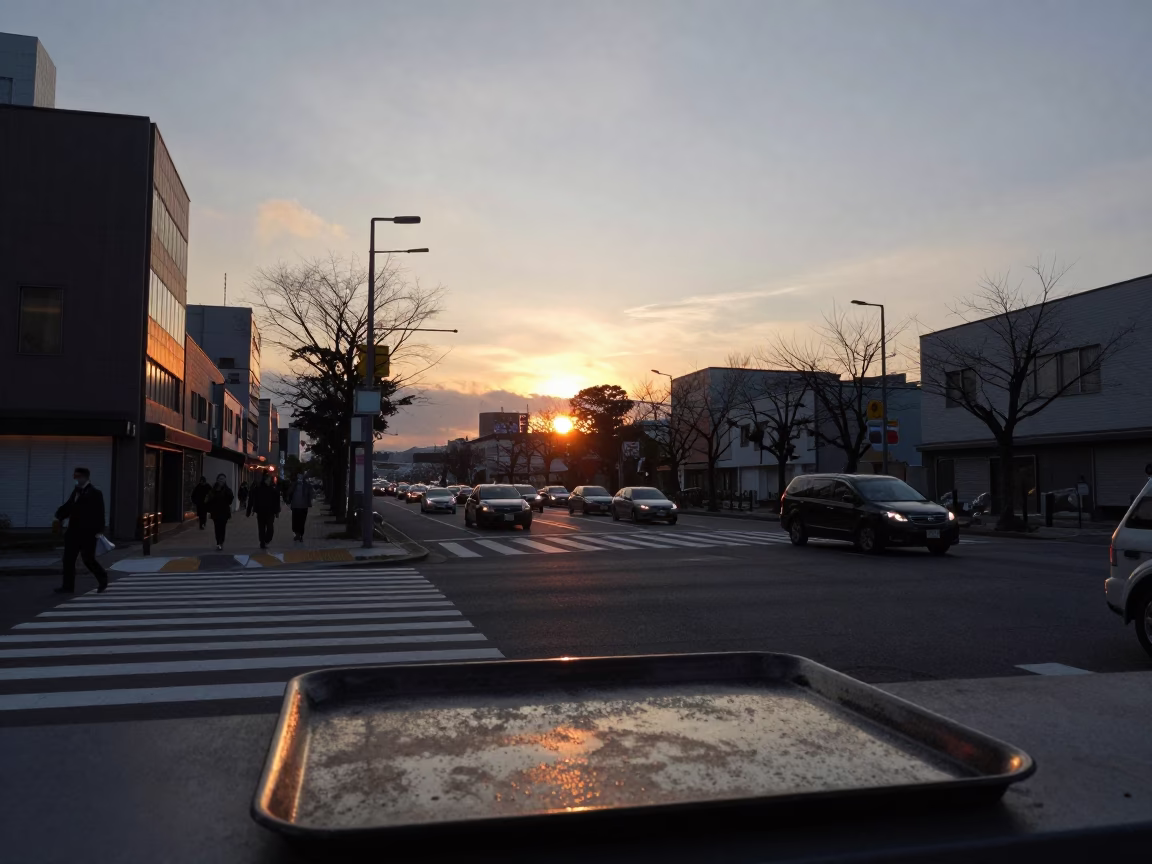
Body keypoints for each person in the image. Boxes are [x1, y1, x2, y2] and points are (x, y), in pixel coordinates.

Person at [53, 466, 109, 594]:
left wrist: (99, 530)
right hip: (73, 531)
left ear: (85, 477)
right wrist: (60, 515)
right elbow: (70, 506)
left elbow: (99, 513)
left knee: (88, 559)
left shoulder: (95, 493)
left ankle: (102, 579)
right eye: (75, 476)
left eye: (78, 476)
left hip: (88, 532)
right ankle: (67, 587)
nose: (76, 479)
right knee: (68, 559)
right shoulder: (76, 491)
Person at [247, 472, 281, 549]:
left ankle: (266, 539)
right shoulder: (258, 488)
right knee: (261, 528)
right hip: (261, 511)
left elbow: (276, 501)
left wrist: (277, 511)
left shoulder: (273, 489)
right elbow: (252, 498)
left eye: (269, 479)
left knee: (270, 528)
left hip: (270, 512)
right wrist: (249, 510)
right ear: (264, 480)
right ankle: (262, 542)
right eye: (267, 479)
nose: (268, 481)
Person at [207, 473, 234, 551]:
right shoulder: (213, 489)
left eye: (223, 478)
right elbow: (209, 500)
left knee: (222, 528)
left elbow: (230, 500)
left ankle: (220, 542)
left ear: (225, 480)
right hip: (215, 512)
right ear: (217, 480)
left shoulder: (227, 489)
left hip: (224, 512)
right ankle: (218, 541)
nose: (221, 480)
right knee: (217, 528)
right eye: (220, 478)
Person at [287, 472, 315, 542]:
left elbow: (311, 493)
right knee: (295, 521)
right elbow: (289, 492)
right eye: (298, 476)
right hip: (295, 506)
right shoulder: (294, 484)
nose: (300, 477)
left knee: (302, 521)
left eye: (301, 476)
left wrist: (310, 499)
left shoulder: (307, 485)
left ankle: (300, 535)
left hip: (303, 506)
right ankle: (297, 534)